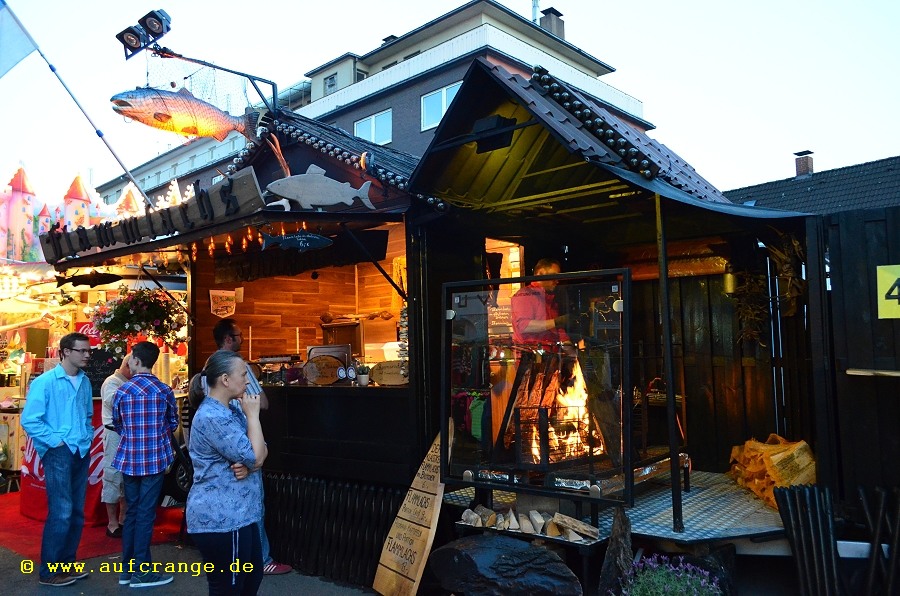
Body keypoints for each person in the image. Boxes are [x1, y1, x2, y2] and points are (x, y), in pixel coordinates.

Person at [212, 318, 291, 575]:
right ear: (228, 339)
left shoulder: (208, 367)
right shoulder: (236, 367)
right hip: (244, 440)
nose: (246, 381)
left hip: (228, 453)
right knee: (252, 501)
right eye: (239, 335)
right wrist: (252, 411)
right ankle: (260, 559)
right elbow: (262, 403)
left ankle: (239, 560)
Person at [187, 349, 267, 595]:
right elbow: (255, 454)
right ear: (225, 379)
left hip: (241, 514)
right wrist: (253, 417)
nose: (248, 381)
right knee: (229, 587)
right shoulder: (213, 416)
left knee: (251, 579)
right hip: (221, 518)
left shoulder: (232, 409)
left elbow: (261, 449)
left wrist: (252, 462)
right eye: (243, 375)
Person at [20, 332, 94, 587]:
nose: (87, 355)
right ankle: (49, 571)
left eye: (88, 351)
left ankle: (66, 564)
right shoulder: (45, 382)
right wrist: (55, 441)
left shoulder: (84, 381)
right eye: (82, 351)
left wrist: (86, 436)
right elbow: (30, 419)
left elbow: (87, 414)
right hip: (59, 452)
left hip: (80, 449)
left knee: (76, 511)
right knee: (62, 511)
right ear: (65, 352)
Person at [112, 341, 178, 588]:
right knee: (145, 514)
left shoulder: (123, 390)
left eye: (130, 358)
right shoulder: (163, 390)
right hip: (154, 459)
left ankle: (128, 570)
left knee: (132, 512)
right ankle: (142, 571)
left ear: (137, 361)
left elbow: (117, 423)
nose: (128, 361)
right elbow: (172, 423)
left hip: (129, 459)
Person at [100, 355, 132, 539]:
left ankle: (123, 518)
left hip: (128, 434)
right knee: (113, 477)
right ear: (129, 365)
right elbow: (115, 403)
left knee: (127, 478)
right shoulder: (111, 382)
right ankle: (112, 523)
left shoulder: (128, 382)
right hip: (114, 434)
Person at [511, 258, 571, 349]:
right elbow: (524, 326)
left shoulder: (549, 299)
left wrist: (574, 353)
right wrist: (557, 321)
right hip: (531, 355)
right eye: (554, 276)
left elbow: (560, 334)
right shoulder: (525, 294)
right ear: (540, 273)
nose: (557, 281)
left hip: (549, 355)